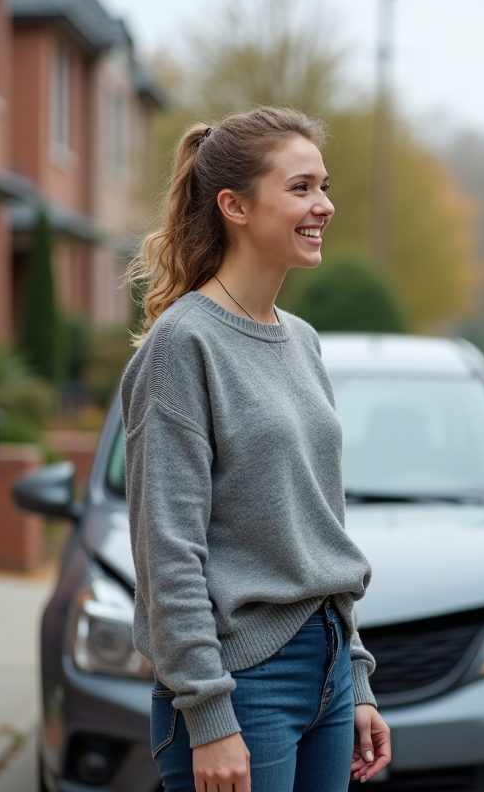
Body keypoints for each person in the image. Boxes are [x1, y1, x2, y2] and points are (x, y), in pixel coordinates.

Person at [121, 107, 391, 792]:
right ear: (234, 205)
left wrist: (355, 676)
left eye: (323, 186)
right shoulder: (184, 344)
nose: (323, 205)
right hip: (242, 683)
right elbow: (168, 551)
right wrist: (209, 716)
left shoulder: (301, 339)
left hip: (327, 667)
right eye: (300, 188)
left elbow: (319, 525)